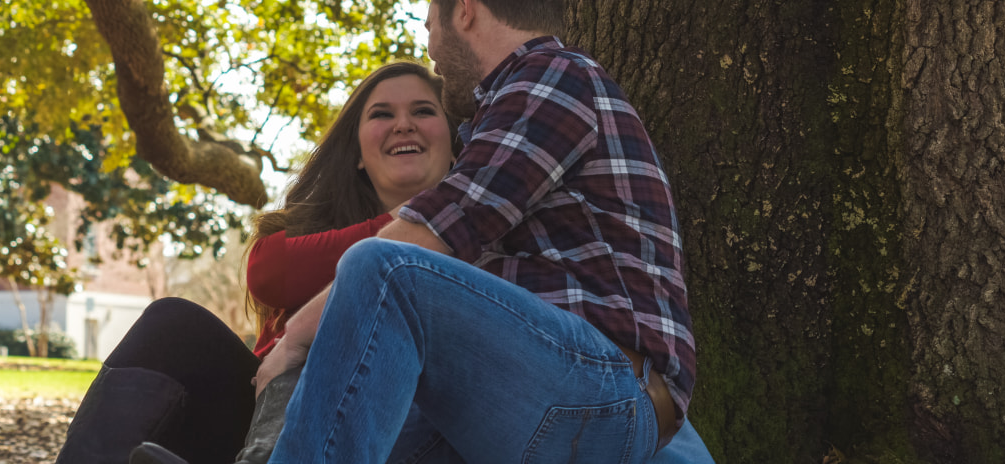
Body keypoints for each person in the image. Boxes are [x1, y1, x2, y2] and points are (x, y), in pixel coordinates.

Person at [244, 0, 711, 461]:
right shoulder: (502, 114)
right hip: (519, 395)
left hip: (600, 392)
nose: (431, 51)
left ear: (465, 10)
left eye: (430, 27)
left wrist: (298, 339)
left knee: (382, 268)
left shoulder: (554, 76)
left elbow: (438, 231)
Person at [54, 61, 459, 464]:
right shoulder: (316, 228)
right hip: (256, 413)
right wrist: (418, 220)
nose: (404, 124)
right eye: (382, 114)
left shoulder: (484, 237)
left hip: (383, 433)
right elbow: (268, 273)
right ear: (356, 155)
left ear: (456, 140)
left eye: (423, 111)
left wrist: (451, 216)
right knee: (171, 324)